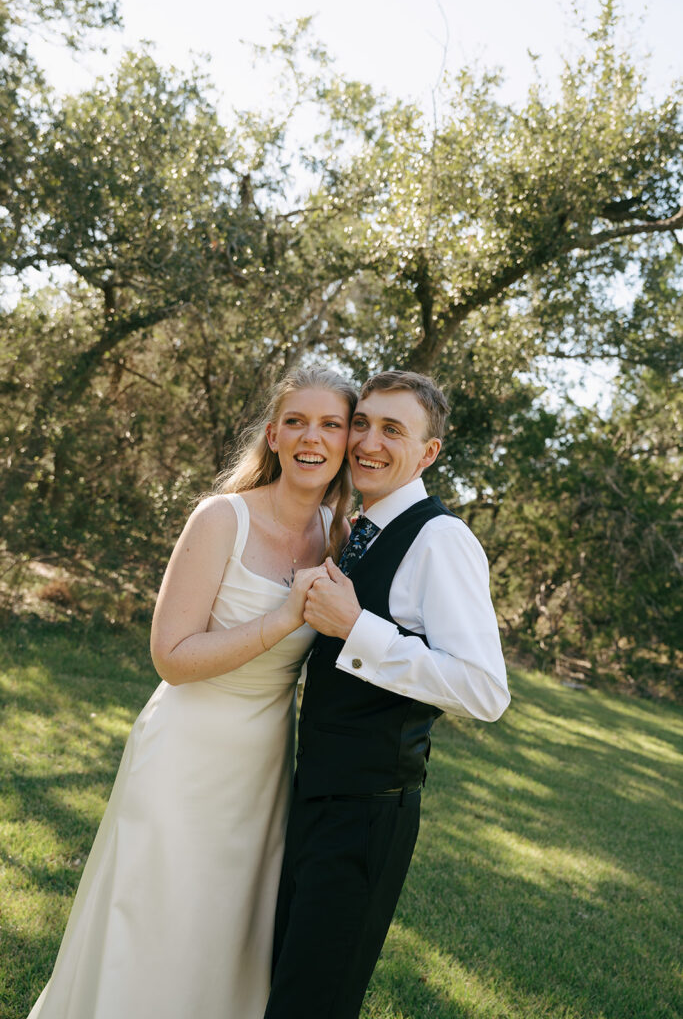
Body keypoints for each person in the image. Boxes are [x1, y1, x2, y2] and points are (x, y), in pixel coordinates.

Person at [27, 366, 357, 1019]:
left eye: (330, 424)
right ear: (271, 435)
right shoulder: (220, 519)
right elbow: (171, 658)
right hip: (181, 753)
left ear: (349, 440)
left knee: (222, 935)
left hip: (260, 768)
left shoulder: (339, 536)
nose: (310, 437)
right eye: (295, 421)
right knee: (148, 921)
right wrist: (283, 618)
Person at [264, 370, 510, 1019]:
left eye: (392, 431)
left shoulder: (441, 539)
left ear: (427, 454)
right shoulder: (356, 529)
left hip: (368, 811)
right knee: (283, 981)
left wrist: (357, 629)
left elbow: (485, 691)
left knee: (312, 1000)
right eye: (363, 423)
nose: (368, 442)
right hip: (315, 793)